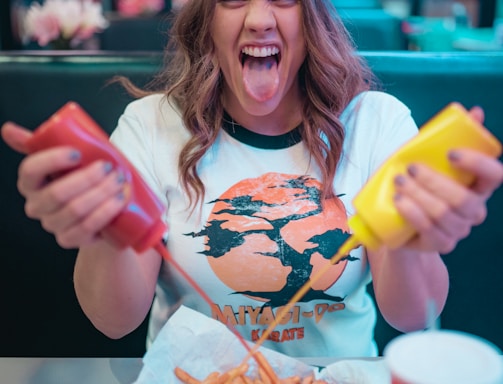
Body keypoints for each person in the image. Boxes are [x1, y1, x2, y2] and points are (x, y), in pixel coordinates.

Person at [2, 0, 502, 359]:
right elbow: (115, 322)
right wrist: (101, 231)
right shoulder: (148, 126)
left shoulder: (377, 122)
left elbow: (414, 317)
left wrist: (416, 232)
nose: (260, 19)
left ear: (312, 18)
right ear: (207, 20)